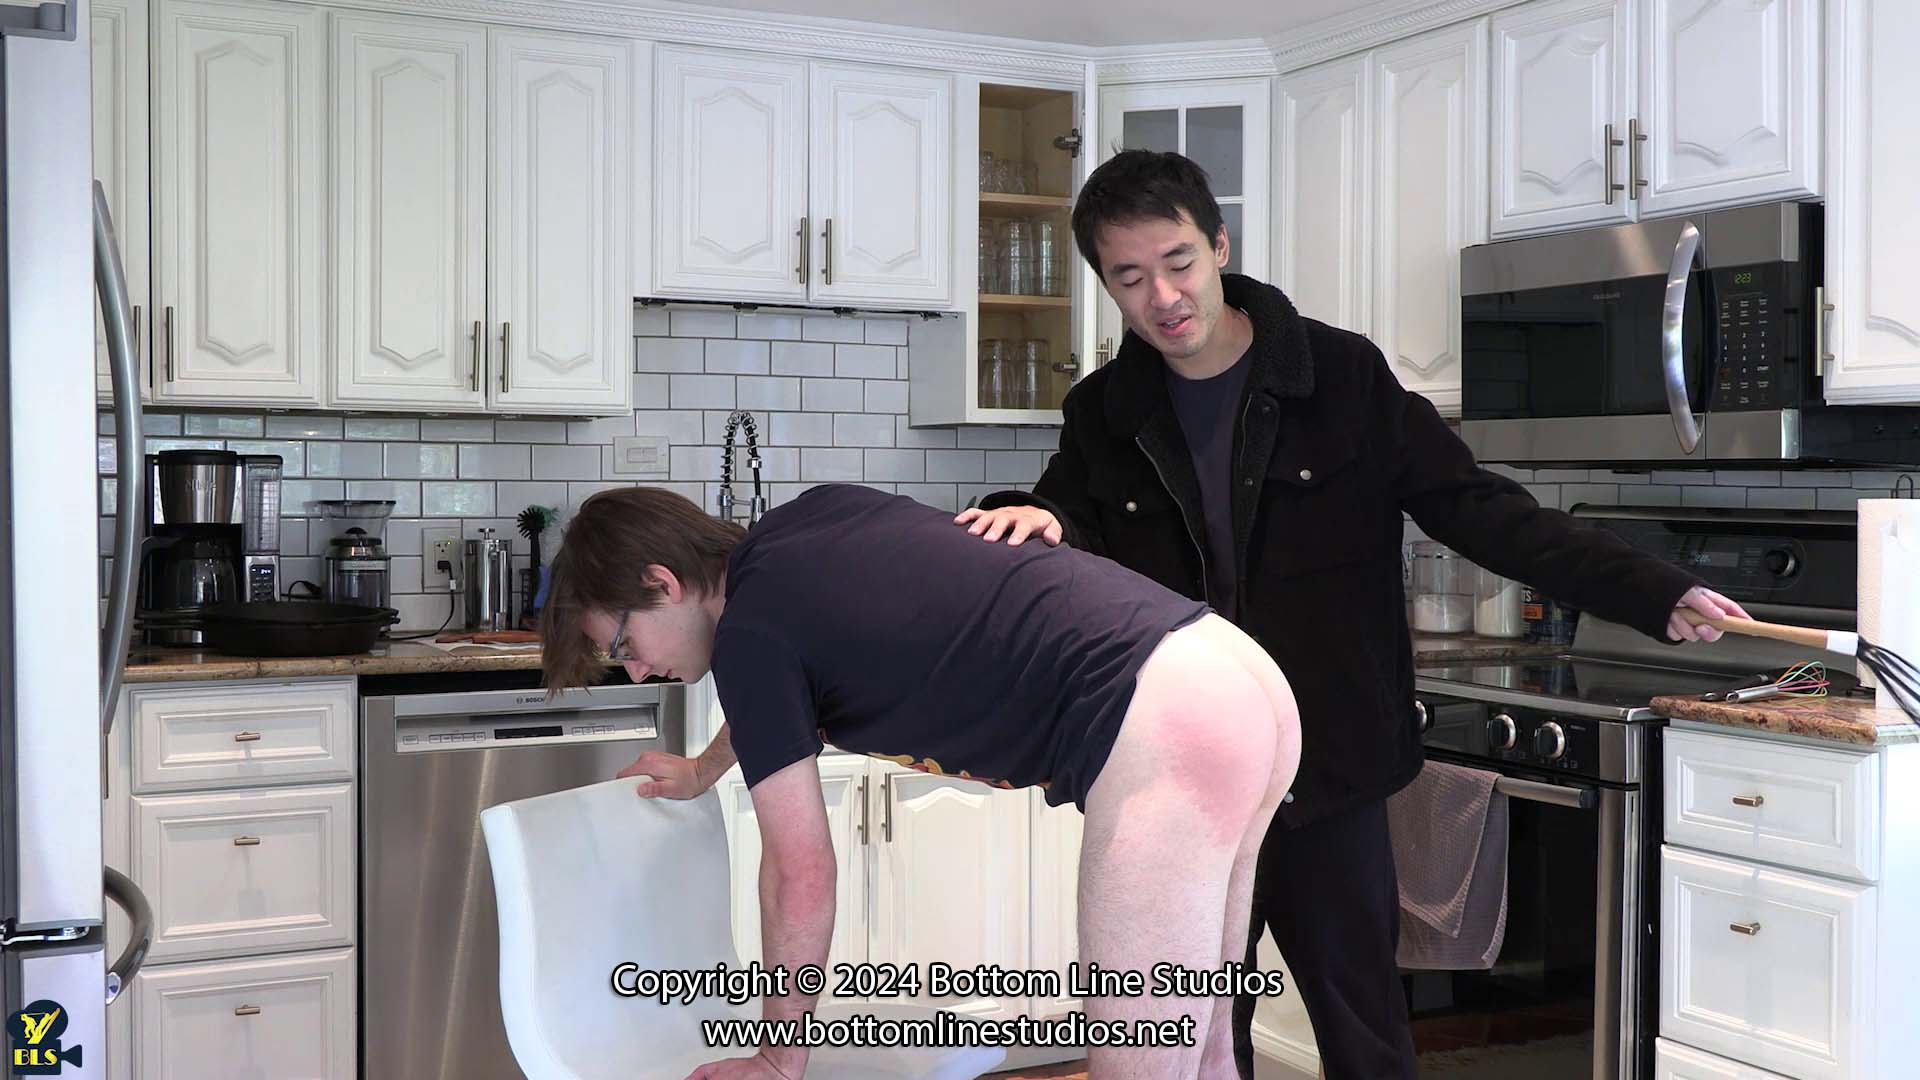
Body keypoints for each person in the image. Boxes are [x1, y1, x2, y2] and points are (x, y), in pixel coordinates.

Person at [955, 149, 1751, 1079]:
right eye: (1129, 278)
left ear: (1219, 245)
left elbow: (1476, 507)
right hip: (1183, 771)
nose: (1162, 297)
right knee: (1191, 1038)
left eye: (1177, 262)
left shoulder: (1339, 375)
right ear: (1106, 285)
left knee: (1364, 1035)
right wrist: (1033, 515)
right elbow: (1065, 522)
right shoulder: (1103, 410)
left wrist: (1648, 588)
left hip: (1327, 763)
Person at [539, 481, 1303, 1079]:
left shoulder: (749, 638)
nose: (637, 670)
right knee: (1206, 1052)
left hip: (1162, 715)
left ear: (663, 582)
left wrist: (777, 1058)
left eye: (624, 643)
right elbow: (783, 696)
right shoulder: (802, 532)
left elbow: (799, 872)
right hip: (1230, 670)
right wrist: (706, 769)